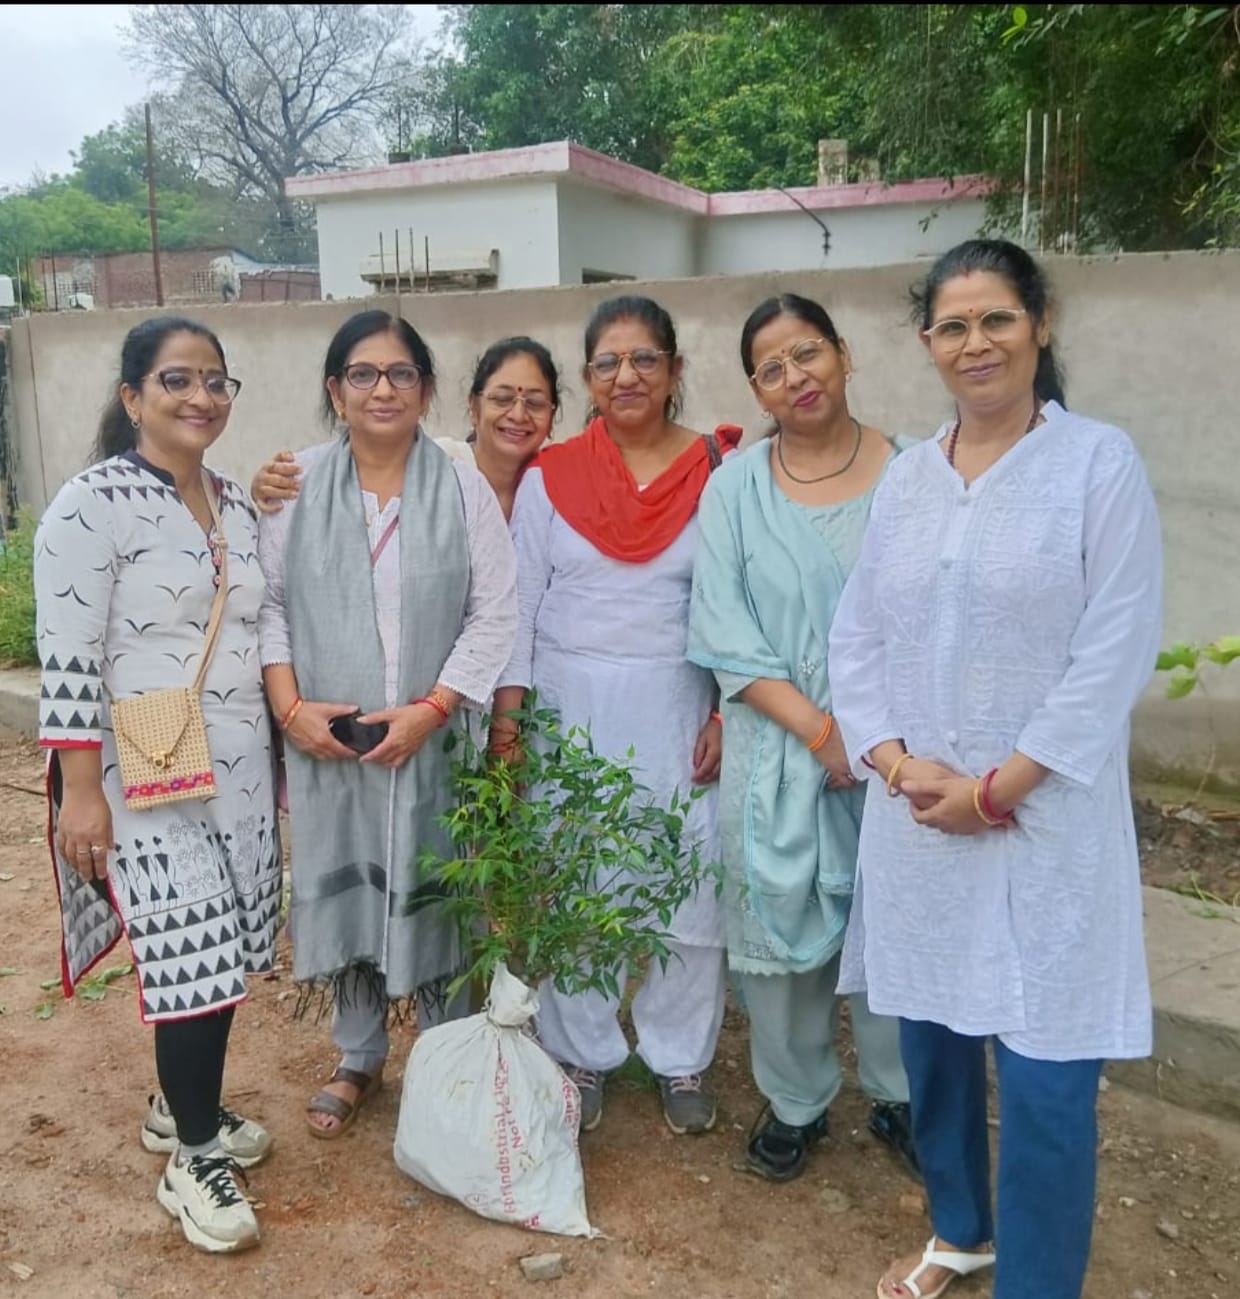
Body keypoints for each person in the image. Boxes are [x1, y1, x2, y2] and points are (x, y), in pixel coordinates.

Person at [827, 239, 1163, 1299]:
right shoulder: (908, 483)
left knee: (1047, 1075)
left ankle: (1037, 1282)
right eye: (953, 326)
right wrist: (892, 762)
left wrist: (994, 790)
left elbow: (1110, 653)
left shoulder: (1094, 466)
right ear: (926, 343)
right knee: (930, 1053)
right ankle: (959, 1231)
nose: (976, 344)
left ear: (1041, 324)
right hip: (918, 821)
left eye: (996, 320)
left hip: (1043, 827)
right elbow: (856, 640)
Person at [34, 316, 280, 1254]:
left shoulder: (236, 503)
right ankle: (196, 1157)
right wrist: (81, 790)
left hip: (239, 772)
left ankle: (181, 1107)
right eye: (178, 379)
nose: (201, 396)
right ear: (134, 397)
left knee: (223, 951)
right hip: (141, 777)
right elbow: (67, 657)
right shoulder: (91, 504)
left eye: (217, 381)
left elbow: (262, 634)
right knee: (196, 954)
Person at [256, 310, 518, 1138]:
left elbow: (494, 611)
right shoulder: (294, 481)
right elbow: (268, 604)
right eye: (362, 374)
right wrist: (290, 710)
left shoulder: (461, 482)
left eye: (401, 373)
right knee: (351, 877)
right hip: (332, 741)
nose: (382, 388)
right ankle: (359, 1053)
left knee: (440, 885)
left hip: (430, 735)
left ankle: (446, 1053)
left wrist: (434, 709)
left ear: (428, 390)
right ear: (335, 389)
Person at [495, 294, 741, 1137]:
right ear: (589, 380)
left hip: (677, 703)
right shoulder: (549, 476)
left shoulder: (721, 471)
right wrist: (511, 724)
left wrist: (723, 710)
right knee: (579, 876)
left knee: (687, 881)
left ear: (673, 370)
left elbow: (734, 606)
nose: (626, 375)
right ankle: (583, 1051)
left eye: (644, 359)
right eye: (608, 362)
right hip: (569, 709)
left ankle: (680, 1057)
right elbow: (519, 608)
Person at [687, 293, 917, 1184]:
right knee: (778, 928)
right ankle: (795, 1099)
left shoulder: (913, 473)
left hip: (896, 750)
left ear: (845, 354)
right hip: (778, 743)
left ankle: (902, 1094)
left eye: (808, 353)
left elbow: (929, 619)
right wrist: (823, 732)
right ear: (757, 387)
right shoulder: (735, 487)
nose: (796, 377)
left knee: (894, 920)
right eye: (772, 368)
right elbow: (722, 629)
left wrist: (869, 739)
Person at [250, 335, 560, 524]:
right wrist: (270, 485)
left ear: (553, 414)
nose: (518, 415)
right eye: (502, 399)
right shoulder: (439, 465)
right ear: (473, 408)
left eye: (534, 403)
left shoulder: (559, 482)